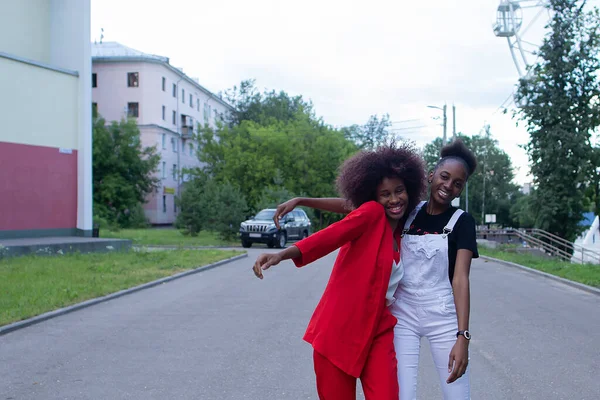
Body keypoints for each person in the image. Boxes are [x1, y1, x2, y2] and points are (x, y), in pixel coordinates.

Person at [274, 139, 479, 400]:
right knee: (401, 394)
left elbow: (460, 279)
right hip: (402, 314)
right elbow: (353, 208)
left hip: (439, 315)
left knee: (456, 393)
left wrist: (463, 335)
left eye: (457, 183)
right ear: (431, 176)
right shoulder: (407, 211)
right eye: (444, 176)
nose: (448, 185)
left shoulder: (460, 221)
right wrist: (303, 201)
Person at [252, 142, 426, 400]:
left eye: (399, 191)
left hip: (378, 329)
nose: (393, 199)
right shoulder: (373, 214)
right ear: (373, 197)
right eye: (385, 194)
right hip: (339, 329)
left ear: (409, 190)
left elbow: (347, 205)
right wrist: (283, 254)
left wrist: (302, 200)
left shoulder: (402, 229)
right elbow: (332, 235)